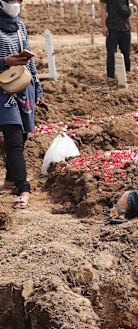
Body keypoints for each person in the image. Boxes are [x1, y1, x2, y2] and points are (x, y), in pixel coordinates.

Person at [0, 0, 44, 209]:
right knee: (14, 136)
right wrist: (4, 62)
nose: (15, 4)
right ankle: (23, 188)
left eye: (18, 1)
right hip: (2, 90)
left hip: (22, 86)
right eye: (11, 1)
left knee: (22, 134)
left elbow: (29, 55)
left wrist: (37, 85)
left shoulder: (19, 24)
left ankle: (10, 179)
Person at [100, 0, 138, 80]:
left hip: (125, 27)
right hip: (112, 27)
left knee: (126, 54)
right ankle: (111, 76)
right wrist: (104, 26)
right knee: (111, 54)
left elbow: (136, 2)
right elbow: (103, 8)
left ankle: (127, 74)